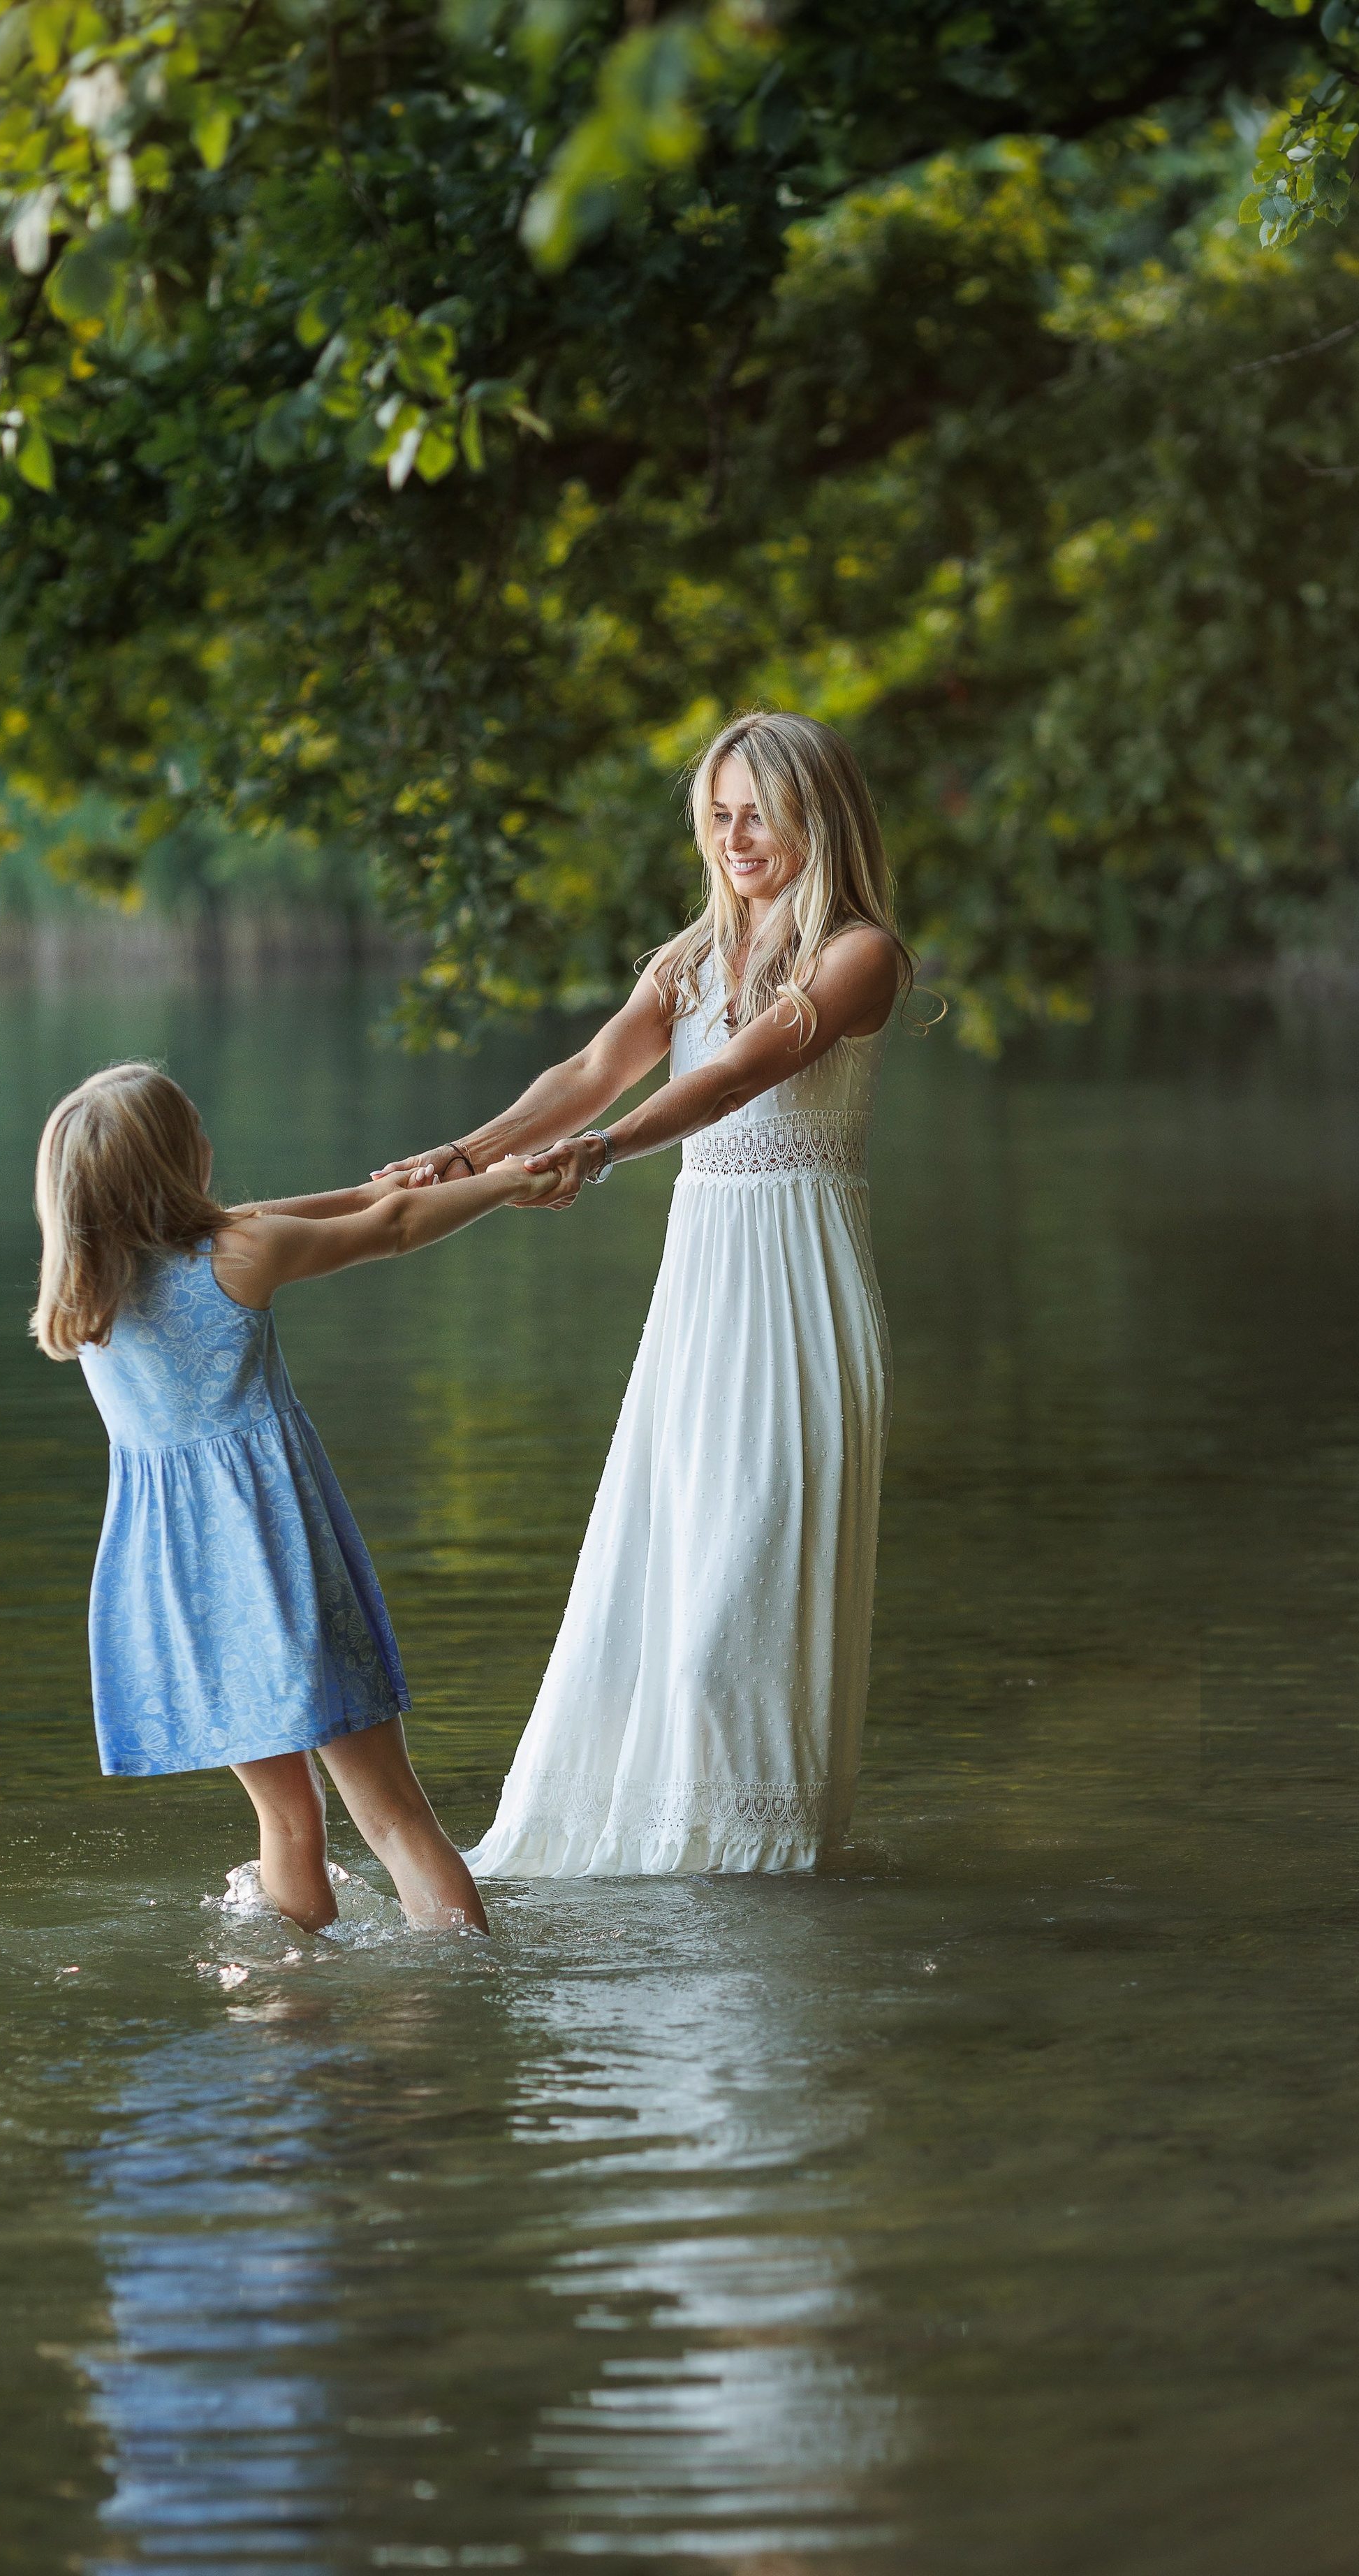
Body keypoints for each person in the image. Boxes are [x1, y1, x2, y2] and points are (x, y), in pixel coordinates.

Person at [376, 711, 917, 1876]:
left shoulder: (858, 954)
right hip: (699, 1302)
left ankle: (755, 1867)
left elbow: (740, 1074)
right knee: (658, 1596)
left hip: (800, 1301)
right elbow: (587, 1071)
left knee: (731, 1628)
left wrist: (607, 1152)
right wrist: (467, 1153)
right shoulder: (686, 958)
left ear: (817, 818)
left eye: (758, 813)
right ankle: (662, 1861)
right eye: (718, 815)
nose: (735, 836)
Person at [31, 1062, 556, 1933]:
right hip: (275, 1562)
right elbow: (387, 1231)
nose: (208, 1140)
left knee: (287, 1817)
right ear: (173, 1161)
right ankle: (465, 2003)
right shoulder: (237, 1257)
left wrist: (380, 1183)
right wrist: (510, 1182)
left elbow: (357, 1204)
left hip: (181, 1592)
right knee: (392, 1814)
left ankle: (295, 2027)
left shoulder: (91, 1297)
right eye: (192, 1128)